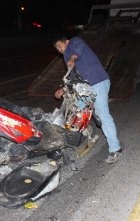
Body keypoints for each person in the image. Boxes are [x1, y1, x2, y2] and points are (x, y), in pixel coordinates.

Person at [53, 36, 122, 164]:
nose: (58, 49)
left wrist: (73, 58)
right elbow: (71, 77)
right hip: (85, 88)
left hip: (98, 82)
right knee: (74, 112)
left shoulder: (74, 42)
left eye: (59, 46)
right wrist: (63, 89)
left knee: (103, 114)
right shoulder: (66, 57)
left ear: (66, 41)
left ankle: (115, 149)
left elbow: (79, 48)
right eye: (57, 49)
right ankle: (78, 138)